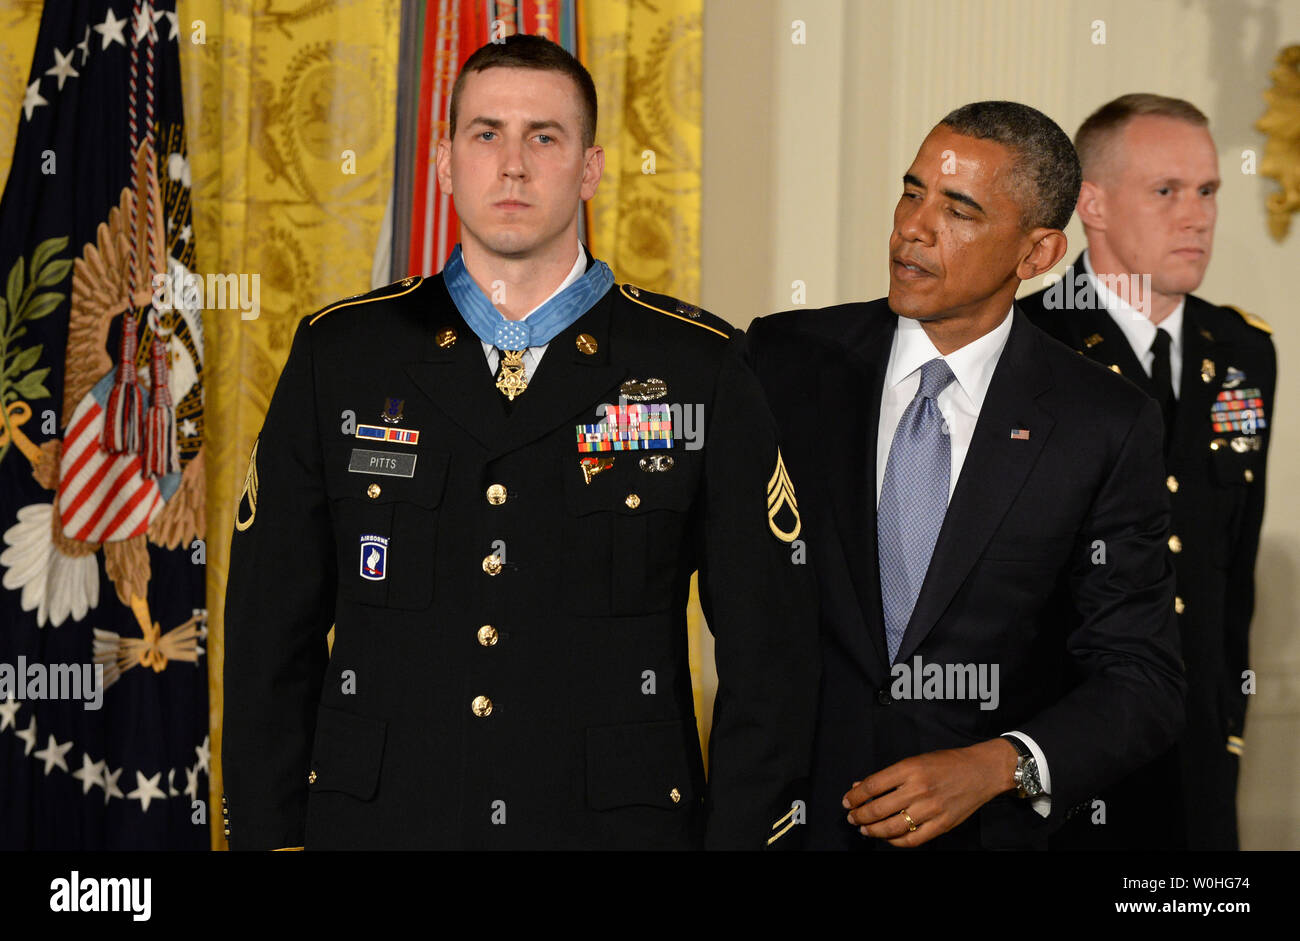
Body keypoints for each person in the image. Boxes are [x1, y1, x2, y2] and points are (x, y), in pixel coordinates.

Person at [221, 34, 819, 850]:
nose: (513, 164)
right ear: (443, 163)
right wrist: (270, 835)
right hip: (383, 824)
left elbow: (769, 655)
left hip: (613, 829)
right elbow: (268, 636)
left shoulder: (696, 366)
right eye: (485, 133)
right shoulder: (344, 354)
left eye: (544, 137)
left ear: (591, 168)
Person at [745, 101, 1185, 850]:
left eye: (960, 210)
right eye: (911, 191)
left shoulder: (1103, 423)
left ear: (1037, 252)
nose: (913, 226)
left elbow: (1142, 678)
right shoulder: (785, 362)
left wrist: (1000, 765)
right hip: (791, 822)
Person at [1018, 94, 1276, 850]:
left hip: (1197, 753)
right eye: (1166, 191)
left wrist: (1227, 729)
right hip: (1065, 751)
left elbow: (1231, 564)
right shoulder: (1029, 341)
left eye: (1208, 191)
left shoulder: (1240, 351)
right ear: (1091, 204)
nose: (1196, 216)